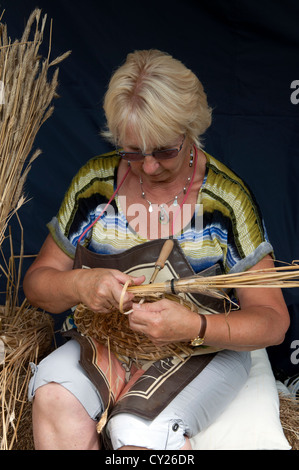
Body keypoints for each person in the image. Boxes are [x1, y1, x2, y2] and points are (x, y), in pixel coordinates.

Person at [23, 49, 290, 450]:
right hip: (111, 343)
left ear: (192, 129)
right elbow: (38, 285)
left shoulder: (226, 201)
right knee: (54, 395)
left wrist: (194, 326)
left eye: (164, 150)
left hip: (201, 350)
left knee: (139, 435)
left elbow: (272, 320)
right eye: (132, 152)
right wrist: (80, 284)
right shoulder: (95, 186)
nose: (148, 167)